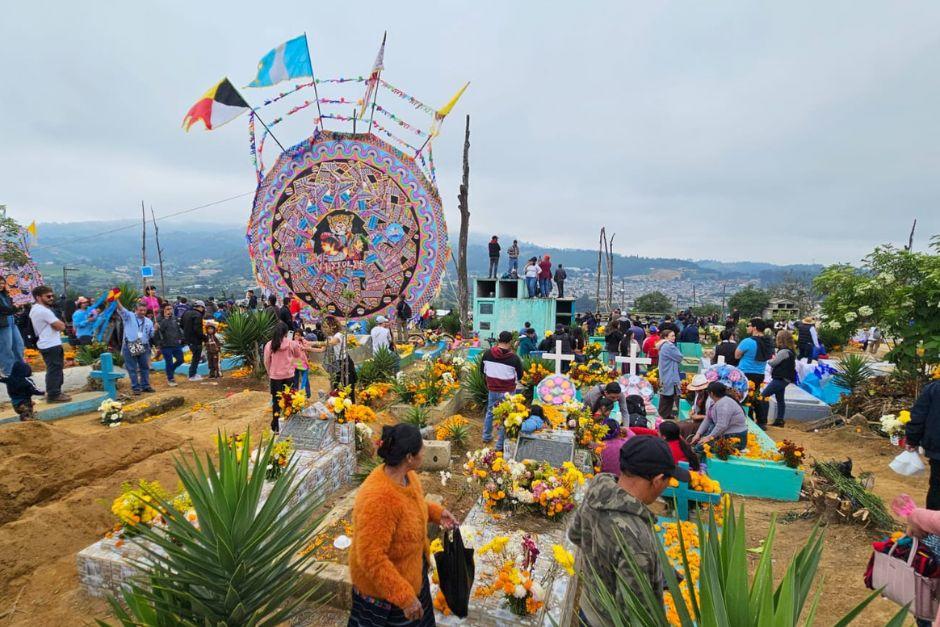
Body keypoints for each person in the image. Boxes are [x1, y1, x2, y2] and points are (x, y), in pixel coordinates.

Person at [568, 436, 689, 627]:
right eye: (668, 480)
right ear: (657, 480)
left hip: (589, 605)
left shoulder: (598, 487)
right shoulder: (636, 537)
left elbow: (575, 534)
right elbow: (634, 614)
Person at [349, 424, 458, 626]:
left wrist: (436, 513)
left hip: (413, 576)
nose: (424, 450)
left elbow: (410, 508)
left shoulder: (408, 477)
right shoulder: (379, 499)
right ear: (409, 457)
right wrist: (404, 597)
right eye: (421, 447)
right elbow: (371, 558)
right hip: (389, 597)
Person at [263, 322, 318, 433]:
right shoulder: (291, 344)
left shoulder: (270, 344)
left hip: (275, 377)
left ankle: (275, 426)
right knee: (290, 399)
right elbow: (298, 355)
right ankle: (291, 423)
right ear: (286, 333)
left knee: (276, 401)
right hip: (289, 375)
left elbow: (266, 361)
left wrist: (270, 372)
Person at [480, 331, 524, 450]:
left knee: (490, 412)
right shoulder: (514, 358)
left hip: (492, 389)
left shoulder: (487, 354)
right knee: (506, 416)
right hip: (508, 392)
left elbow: (483, 371)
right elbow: (520, 376)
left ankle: (486, 436)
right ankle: (499, 445)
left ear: (498, 340)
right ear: (510, 342)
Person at [29, 285, 71, 403]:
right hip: (50, 343)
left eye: (52, 295)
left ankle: (55, 392)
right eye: (48, 296)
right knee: (54, 369)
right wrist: (59, 324)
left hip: (48, 343)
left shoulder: (35, 309)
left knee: (55, 368)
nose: (51, 298)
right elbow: (60, 326)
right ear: (38, 297)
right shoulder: (43, 311)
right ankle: (54, 394)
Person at [905, 380, 940, 509]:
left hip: (938, 451)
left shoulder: (934, 389)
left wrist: (912, 440)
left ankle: (933, 527)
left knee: (937, 488)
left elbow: (919, 416)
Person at [735, 318, 773, 428]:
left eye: (749, 325)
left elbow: (736, 355)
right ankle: (761, 421)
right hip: (760, 373)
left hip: (745, 372)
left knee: (744, 397)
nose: (747, 327)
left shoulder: (748, 341)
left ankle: (748, 419)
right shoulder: (768, 342)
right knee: (756, 396)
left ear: (755, 328)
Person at [690, 382, 749, 450]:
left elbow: (722, 425)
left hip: (735, 436)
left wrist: (708, 437)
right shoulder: (715, 401)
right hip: (726, 433)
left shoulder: (724, 404)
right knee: (699, 443)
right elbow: (708, 419)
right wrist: (698, 434)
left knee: (700, 448)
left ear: (711, 393)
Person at [115, 299, 156, 395]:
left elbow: (151, 335)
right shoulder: (129, 316)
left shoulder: (149, 321)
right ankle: (135, 387)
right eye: (140, 310)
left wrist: (155, 329)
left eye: (144, 310)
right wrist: (116, 299)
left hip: (144, 345)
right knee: (132, 368)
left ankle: (145, 385)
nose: (142, 312)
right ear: (136, 310)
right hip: (131, 344)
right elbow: (121, 309)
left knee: (145, 367)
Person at [762, 330, 797, 427]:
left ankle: (762, 419)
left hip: (780, 378)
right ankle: (779, 420)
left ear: (780, 339)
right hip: (785, 378)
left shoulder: (784, 351)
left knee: (763, 396)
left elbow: (774, 363)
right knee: (780, 399)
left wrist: (767, 360)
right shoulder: (790, 351)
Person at [323, 315, 358, 400]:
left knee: (348, 389)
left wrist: (312, 343)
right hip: (337, 364)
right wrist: (307, 347)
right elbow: (322, 349)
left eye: (326, 326)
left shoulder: (338, 335)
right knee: (337, 388)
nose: (324, 329)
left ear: (332, 326)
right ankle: (339, 409)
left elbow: (331, 343)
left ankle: (350, 409)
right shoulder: (330, 337)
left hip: (345, 364)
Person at [154, 303, 185, 387]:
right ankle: (170, 378)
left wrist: (182, 339)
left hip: (176, 344)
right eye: (167, 309)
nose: (169, 310)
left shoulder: (175, 318)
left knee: (181, 360)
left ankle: (170, 370)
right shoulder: (159, 320)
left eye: (171, 308)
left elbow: (179, 329)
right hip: (165, 345)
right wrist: (166, 319)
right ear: (163, 310)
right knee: (169, 362)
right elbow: (159, 331)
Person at [0, 281, 25, 377]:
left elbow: (11, 308)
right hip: (2, 324)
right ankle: (8, 372)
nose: (1, 285)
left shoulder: (6, 295)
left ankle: (20, 369)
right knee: (6, 348)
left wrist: (19, 305)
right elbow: (3, 309)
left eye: (2, 283)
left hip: (11, 321)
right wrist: (15, 308)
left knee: (19, 345)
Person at [656, 329, 683, 420]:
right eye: (671, 336)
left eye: (674, 335)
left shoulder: (663, 346)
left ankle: (666, 414)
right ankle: (663, 415)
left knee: (668, 395)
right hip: (670, 375)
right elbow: (679, 357)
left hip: (665, 374)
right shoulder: (669, 346)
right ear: (665, 337)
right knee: (668, 395)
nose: (674, 337)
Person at [181, 300, 207, 382]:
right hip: (196, 340)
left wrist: (187, 332)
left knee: (195, 357)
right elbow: (198, 330)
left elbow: (181, 325)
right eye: (203, 308)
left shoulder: (186, 313)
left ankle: (192, 373)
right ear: (201, 307)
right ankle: (192, 375)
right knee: (196, 357)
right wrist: (204, 338)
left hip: (188, 339)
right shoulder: (198, 315)